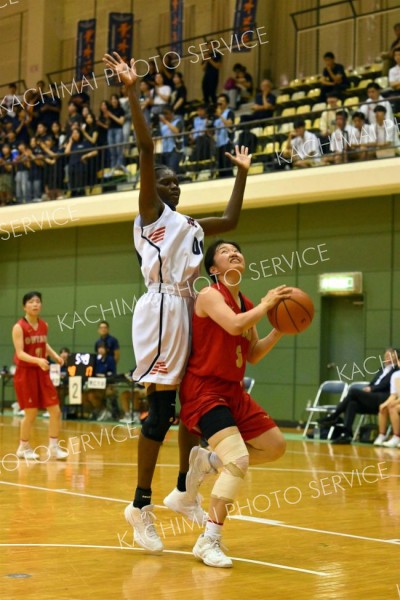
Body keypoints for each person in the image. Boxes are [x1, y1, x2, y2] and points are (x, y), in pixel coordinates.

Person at [102, 51, 252, 554]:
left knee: (192, 405)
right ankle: (140, 504)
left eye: (174, 181)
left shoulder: (189, 225)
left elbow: (229, 222)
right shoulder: (151, 213)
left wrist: (243, 174)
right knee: (161, 410)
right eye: (163, 180)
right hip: (162, 309)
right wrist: (130, 91)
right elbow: (146, 148)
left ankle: (184, 492)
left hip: (187, 309)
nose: (170, 184)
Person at [179, 240, 289, 567]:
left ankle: (209, 462)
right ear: (214, 269)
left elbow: (252, 354)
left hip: (233, 392)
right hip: (204, 391)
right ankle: (208, 539)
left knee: (276, 446)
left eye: (237, 250)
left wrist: (280, 330)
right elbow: (234, 325)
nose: (235, 252)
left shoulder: (248, 304)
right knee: (239, 459)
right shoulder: (210, 295)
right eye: (225, 251)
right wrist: (269, 305)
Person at [12, 291, 68, 460]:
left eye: (38, 301)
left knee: (55, 411)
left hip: (41, 372)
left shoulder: (44, 325)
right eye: (31, 302)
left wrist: (54, 356)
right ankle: (23, 447)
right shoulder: (18, 327)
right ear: (24, 306)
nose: (35, 304)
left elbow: (43, 343)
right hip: (26, 373)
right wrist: (38, 360)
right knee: (31, 413)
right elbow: (20, 353)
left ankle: (53, 447)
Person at [320, 348, 398, 444]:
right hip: (372, 398)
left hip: (383, 397)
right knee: (352, 403)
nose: (387, 357)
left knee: (353, 391)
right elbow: (373, 382)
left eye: (391, 355)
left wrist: (371, 389)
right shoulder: (382, 369)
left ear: (397, 357)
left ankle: (334, 416)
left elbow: (386, 385)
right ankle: (346, 434)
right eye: (386, 355)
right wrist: (369, 387)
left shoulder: (397, 370)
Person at [374, 360, 400, 448]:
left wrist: (395, 402)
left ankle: (397, 436)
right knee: (384, 407)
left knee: (393, 408)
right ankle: (382, 435)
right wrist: (385, 403)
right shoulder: (396, 375)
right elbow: (394, 394)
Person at [214, 94, 234, 177]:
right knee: (220, 164)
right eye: (219, 101)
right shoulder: (215, 115)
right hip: (218, 143)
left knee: (227, 164)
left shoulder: (229, 112)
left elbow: (229, 124)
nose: (220, 103)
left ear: (226, 103)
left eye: (222, 101)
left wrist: (220, 116)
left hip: (226, 141)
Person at [159, 106, 184, 173]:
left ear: (172, 113)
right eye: (164, 114)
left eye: (167, 113)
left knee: (172, 168)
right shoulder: (162, 126)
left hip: (175, 149)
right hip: (165, 150)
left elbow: (176, 131)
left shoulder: (178, 122)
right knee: (166, 171)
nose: (165, 116)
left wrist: (166, 122)